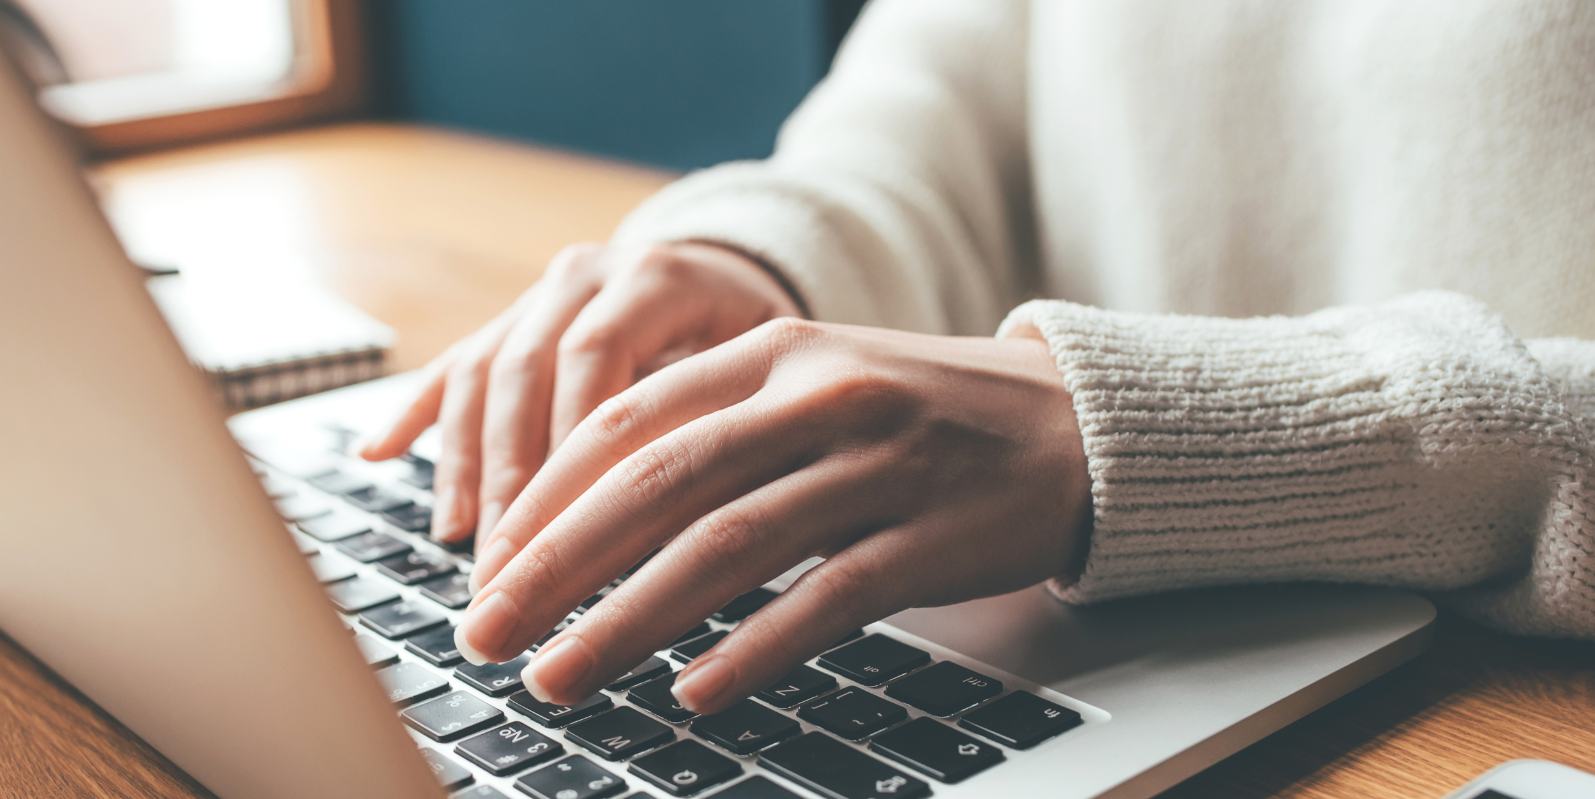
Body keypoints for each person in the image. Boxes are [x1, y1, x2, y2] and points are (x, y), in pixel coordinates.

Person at [359, 0, 1595, 716]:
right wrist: (762, 263)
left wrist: (1155, 432)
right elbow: (938, 117)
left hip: (1505, 726)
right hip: (1113, 646)